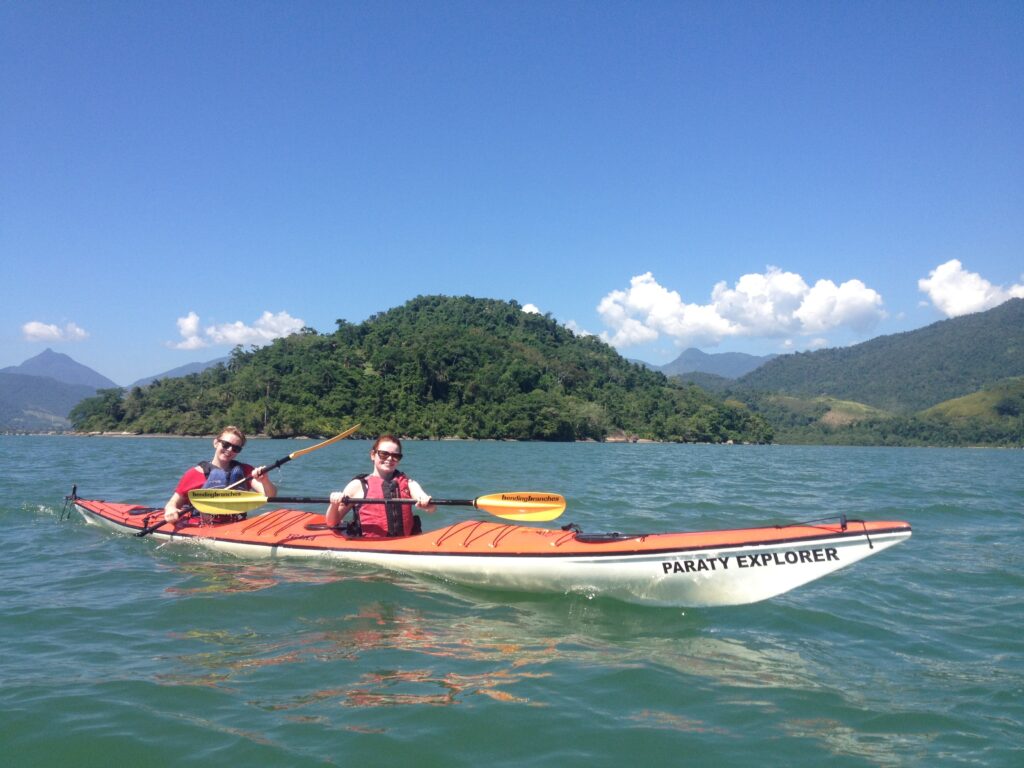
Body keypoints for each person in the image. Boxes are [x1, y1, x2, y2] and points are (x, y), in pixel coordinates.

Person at [326, 435, 435, 537]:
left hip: (404, 542)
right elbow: (332, 522)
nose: (389, 459)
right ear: (373, 455)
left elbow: (431, 508)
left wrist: (426, 503)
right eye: (384, 454)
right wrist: (334, 504)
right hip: (369, 544)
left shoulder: (409, 483)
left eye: (395, 456)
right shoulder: (358, 485)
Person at [163, 426, 277, 523]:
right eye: (226, 444)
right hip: (201, 526)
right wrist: (171, 510)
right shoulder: (194, 474)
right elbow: (173, 502)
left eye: (236, 448)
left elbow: (270, 496)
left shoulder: (246, 471)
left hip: (236, 525)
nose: (230, 450)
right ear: (216, 443)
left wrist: (265, 480)